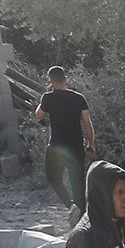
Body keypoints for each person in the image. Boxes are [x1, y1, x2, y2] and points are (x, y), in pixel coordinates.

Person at [38, 67, 96, 223]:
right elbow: (87, 123)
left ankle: (71, 206)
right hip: (76, 146)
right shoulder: (78, 98)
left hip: (56, 146)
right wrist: (91, 144)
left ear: (51, 81)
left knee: (53, 178)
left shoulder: (48, 98)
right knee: (77, 182)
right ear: (67, 79)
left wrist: (46, 96)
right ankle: (82, 220)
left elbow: (39, 115)